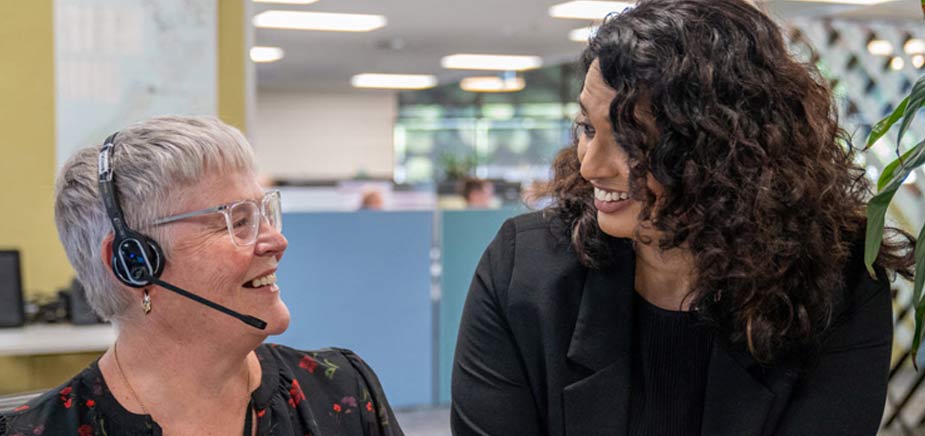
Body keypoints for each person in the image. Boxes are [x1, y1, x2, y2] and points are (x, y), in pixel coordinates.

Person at [451, 1, 915, 435]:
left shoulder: (836, 279)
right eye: (589, 129)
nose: (591, 165)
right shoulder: (524, 271)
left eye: (631, 140)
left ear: (726, 152)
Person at [0, 116, 403, 436]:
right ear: (133, 263)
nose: (276, 240)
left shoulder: (342, 392)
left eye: (264, 213)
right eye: (236, 221)